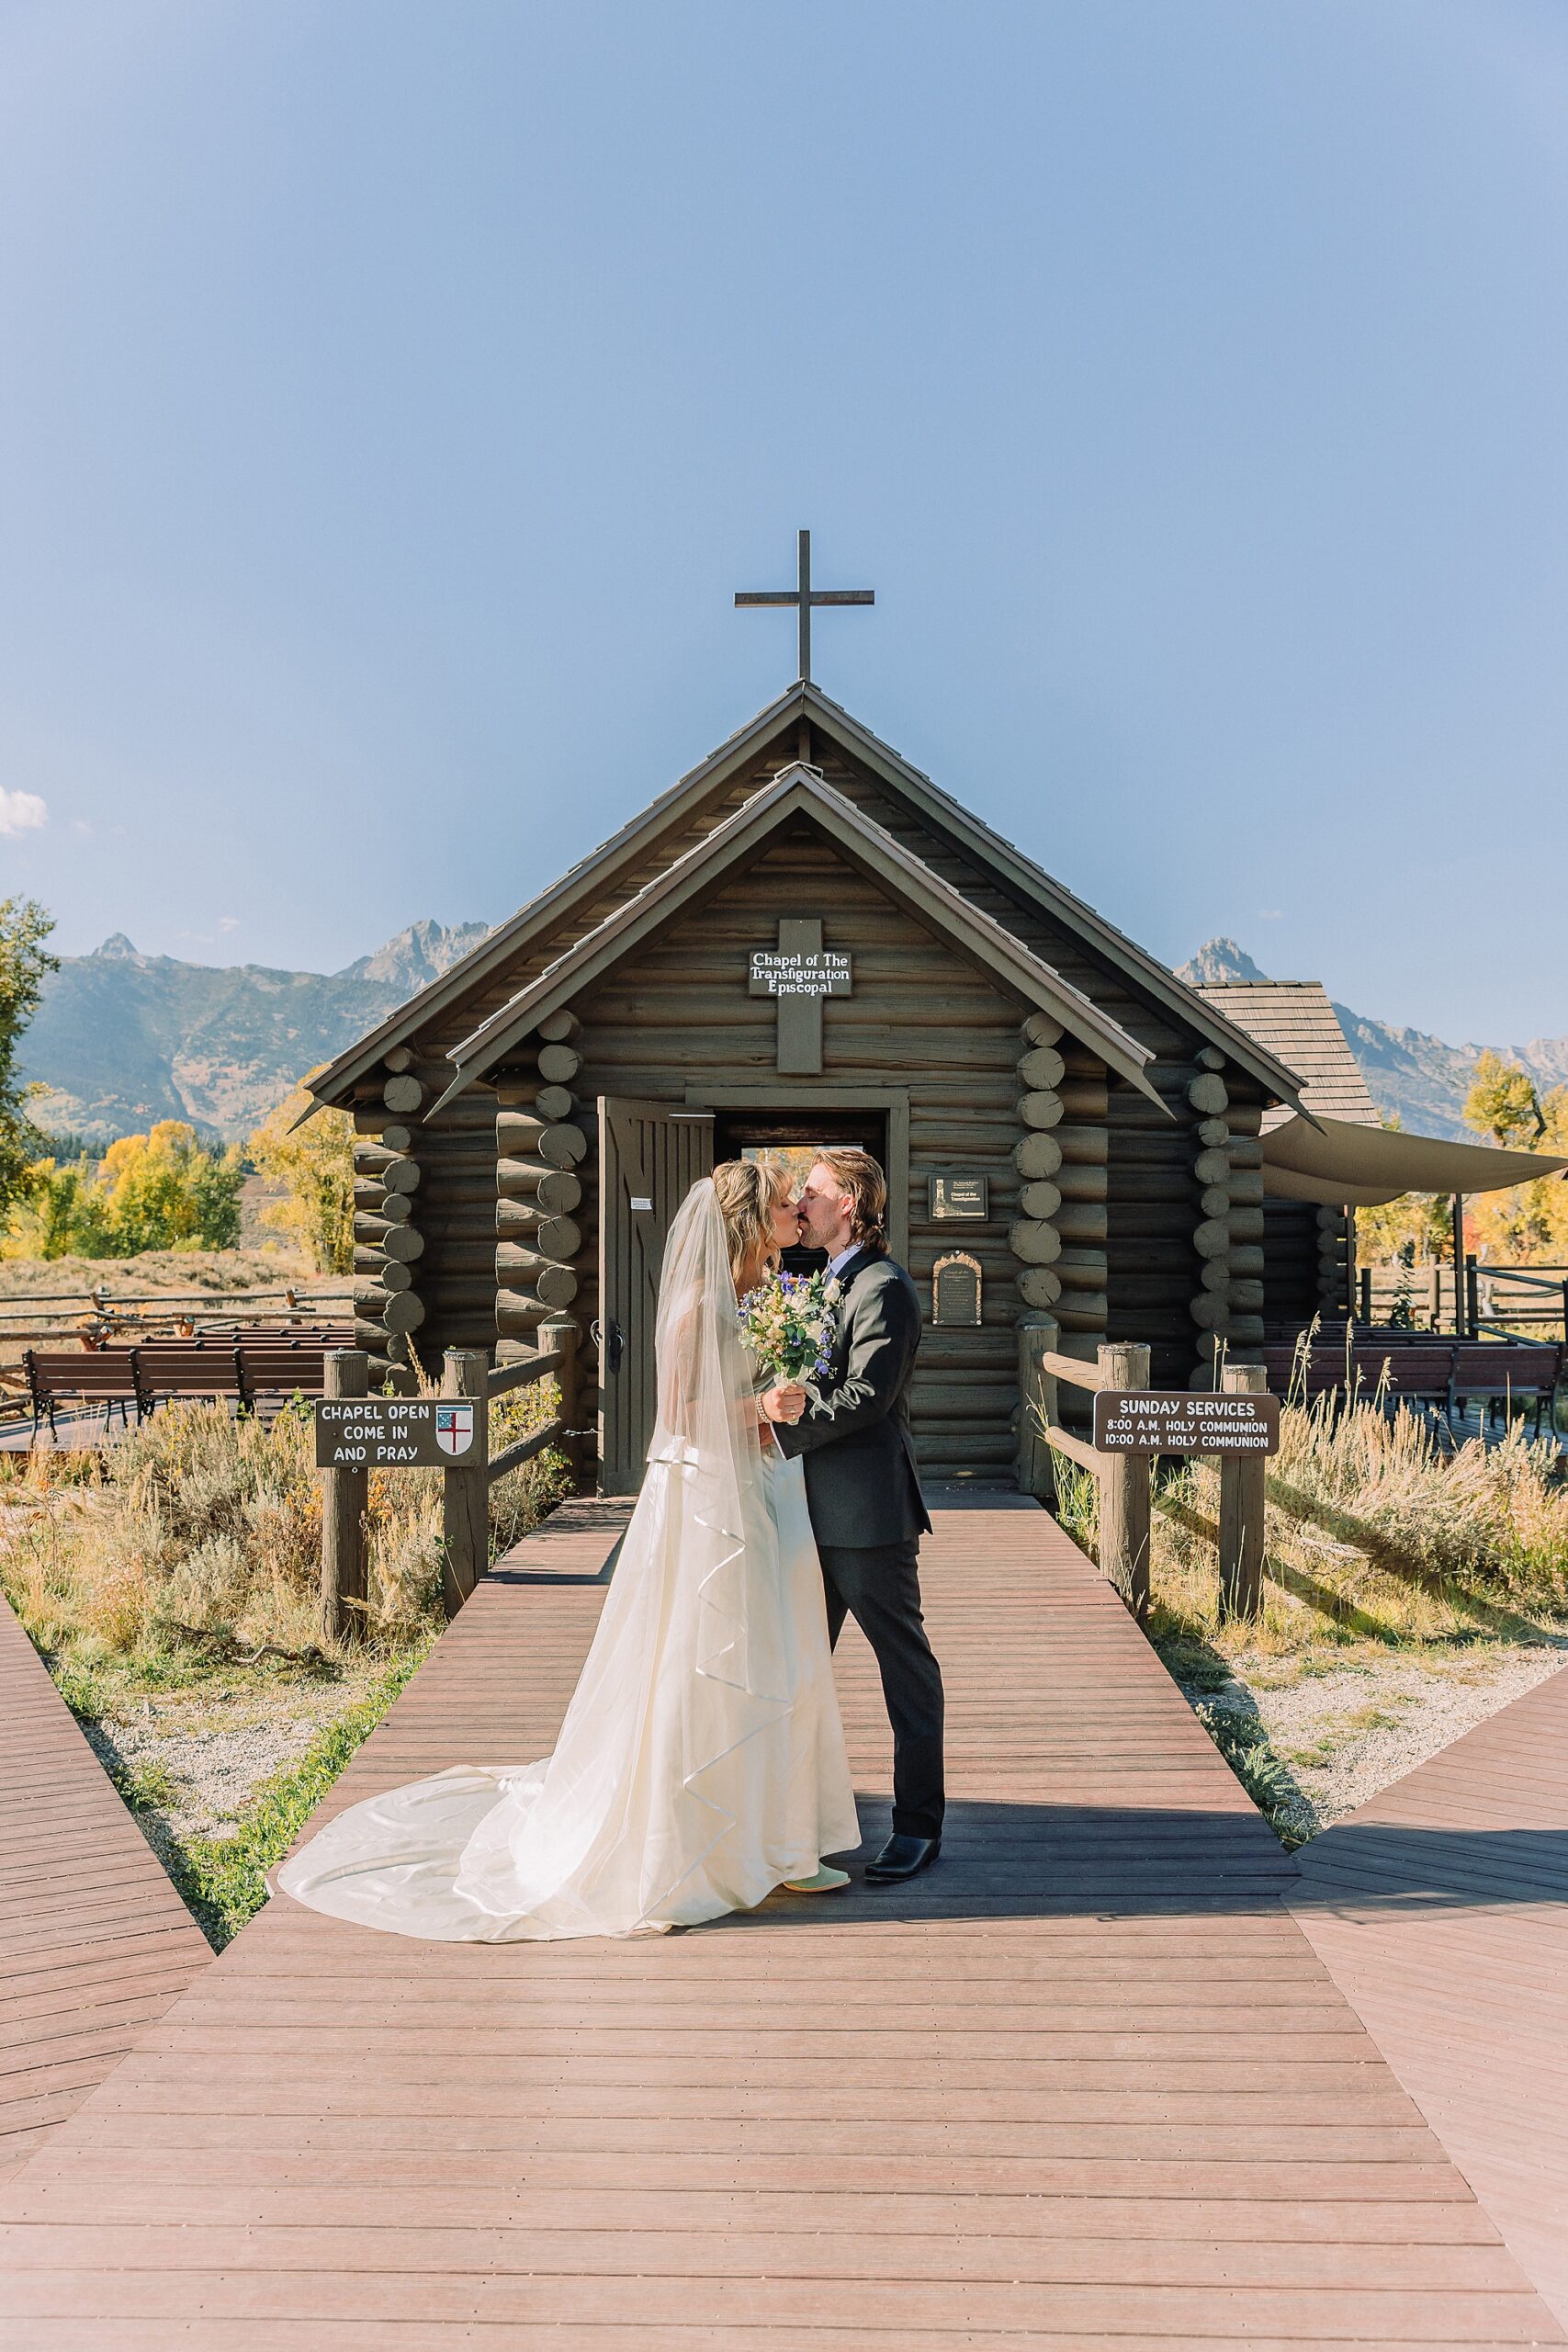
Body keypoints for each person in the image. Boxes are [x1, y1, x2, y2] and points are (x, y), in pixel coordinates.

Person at [274, 1159, 860, 1941]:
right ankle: (693, 1839)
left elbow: (747, 1408)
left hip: (759, 1486)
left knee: (774, 1652)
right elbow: (680, 1414)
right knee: (704, 1655)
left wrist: (770, 1410)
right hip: (704, 1500)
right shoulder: (694, 1305)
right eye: (786, 1203)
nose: (796, 1211)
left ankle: (777, 1838)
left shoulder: (763, 1299)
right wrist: (759, 1402)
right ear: (750, 1220)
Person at [762, 1149, 945, 1885]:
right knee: (796, 1670)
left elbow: (867, 1398)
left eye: (811, 1191)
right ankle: (787, 1821)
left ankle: (919, 1826)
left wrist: (773, 1430)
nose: (799, 1203)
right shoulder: (824, 1282)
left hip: (865, 1513)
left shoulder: (884, 1289)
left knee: (903, 1667)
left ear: (850, 1201)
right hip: (804, 1511)